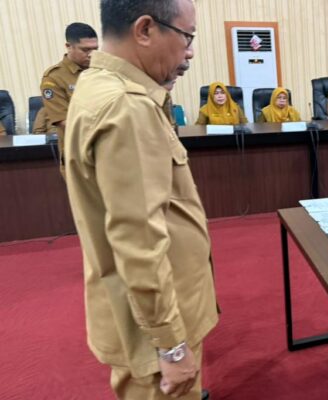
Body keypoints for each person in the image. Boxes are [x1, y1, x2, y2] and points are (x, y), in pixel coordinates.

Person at [64, 0, 218, 398]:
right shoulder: (127, 107)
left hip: (142, 315)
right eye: (186, 36)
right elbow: (140, 242)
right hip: (155, 331)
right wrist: (171, 344)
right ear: (145, 29)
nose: (190, 51)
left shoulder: (101, 85)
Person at [39, 22, 98, 172]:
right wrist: (105, 128)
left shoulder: (102, 71)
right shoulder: (54, 77)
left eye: (95, 49)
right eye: (85, 50)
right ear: (68, 46)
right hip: (78, 155)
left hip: (107, 151)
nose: (91, 54)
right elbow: (63, 121)